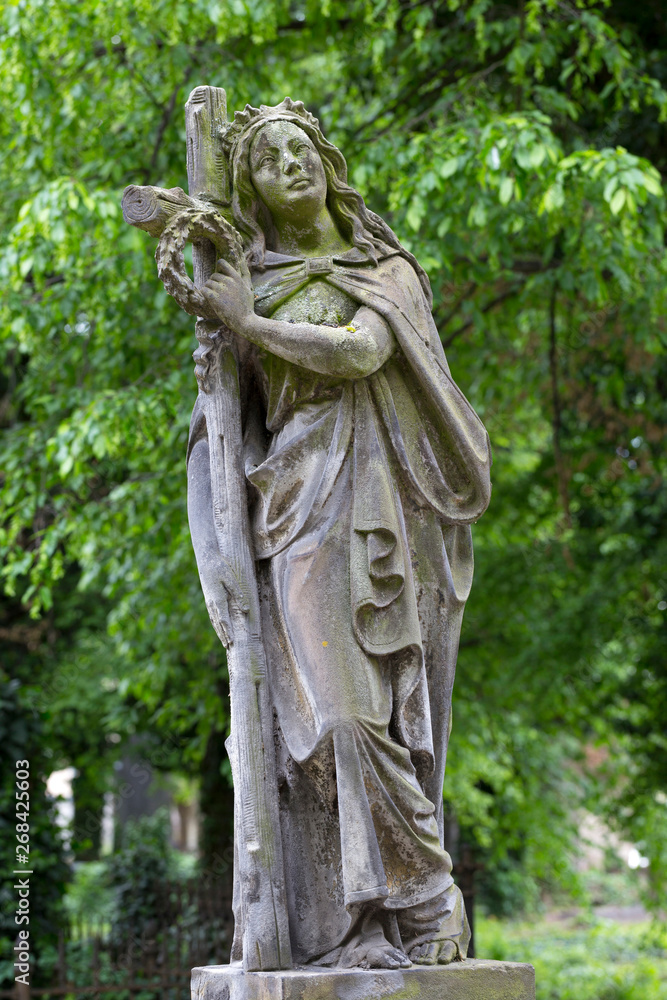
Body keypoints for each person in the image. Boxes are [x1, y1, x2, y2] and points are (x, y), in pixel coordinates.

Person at [188, 98, 491, 970]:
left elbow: (359, 353)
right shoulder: (252, 278)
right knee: (326, 723)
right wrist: (219, 335)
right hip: (295, 505)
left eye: (300, 147)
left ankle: (420, 905)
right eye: (268, 159)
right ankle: (351, 920)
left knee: (375, 722)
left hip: (383, 503)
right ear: (253, 191)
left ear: (325, 161)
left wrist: (246, 321)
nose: (291, 163)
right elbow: (223, 425)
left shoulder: (385, 271)